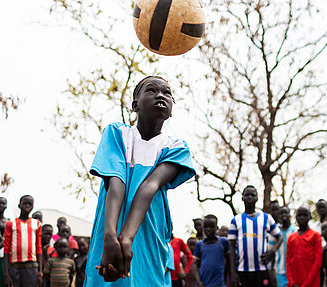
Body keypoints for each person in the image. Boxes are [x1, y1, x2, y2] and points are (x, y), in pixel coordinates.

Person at [84, 76, 196, 286]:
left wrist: (126, 237)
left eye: (167, 93)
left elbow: (149, 187)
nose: (160, 95)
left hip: (149, 234)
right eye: (151, 90)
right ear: (135, 105)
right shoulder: (116, 133)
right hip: (108, 231)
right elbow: (116, 183)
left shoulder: (176, 147)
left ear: (171, 109)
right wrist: (111, 235)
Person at [228, 186, 283, 287]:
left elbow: (280, 237)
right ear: (242, 198)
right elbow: (231, 247)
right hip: (242, 270)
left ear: (257, 198)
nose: (250, 197)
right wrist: (232, 272)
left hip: (261, 269)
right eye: (247, 195)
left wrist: (273, 251)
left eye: (252, 195)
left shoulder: (266, 218)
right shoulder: (235, 220)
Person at [3, 195, 43, 287]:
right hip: (14, 267)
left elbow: (38, 247)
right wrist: (6, 273)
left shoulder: (37, 224)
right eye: (25, 203)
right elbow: (6, 248)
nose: (27, 206)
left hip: (31, 267)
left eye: (30, 204)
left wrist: (40, 272)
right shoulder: (10, 223)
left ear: (33, 206)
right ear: (19, 205)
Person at [286, 206, 322, 287]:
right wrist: (292, 282)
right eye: (299, 215)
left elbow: (317, 262)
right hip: (295, 283)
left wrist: (306, 284)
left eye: (305, 215)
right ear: (296, 217)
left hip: (311, 282)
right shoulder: (291, 238)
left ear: (310, 217)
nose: (302, 218)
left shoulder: (315, 236)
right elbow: (288, 261)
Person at [194, 215, 229, 287]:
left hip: (220, 283)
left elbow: (229, 262)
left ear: (216, 227)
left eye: (211, 227)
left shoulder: (223, 242)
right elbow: (196, 265)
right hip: (204, 284)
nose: (208, 229)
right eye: (206, 227)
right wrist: (198, 281)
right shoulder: (199, 245)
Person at [269, 206, 296, 287]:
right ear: (278, 216)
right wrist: (271, 271)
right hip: (280, 270)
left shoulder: (295, 230)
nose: (284, 215)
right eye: (281, 213)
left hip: (294, 270)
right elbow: (271, 252)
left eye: (286, 212)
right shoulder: (275, 233)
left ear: (289, 214)